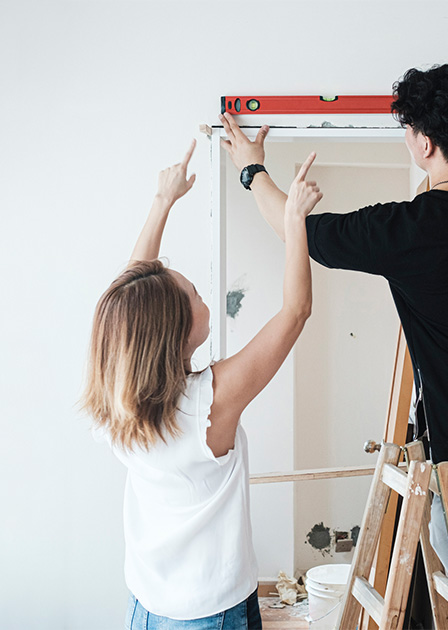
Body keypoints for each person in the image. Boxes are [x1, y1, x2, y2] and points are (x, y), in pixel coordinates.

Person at [220, 63, 448, 630]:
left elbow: (296, 230)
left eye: (410, 127)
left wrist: (250, 168)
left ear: (425, 143)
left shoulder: (409, 230)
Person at [82, 140, 323, 630]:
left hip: (149, 604)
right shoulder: (207, 405)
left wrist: (162, 201)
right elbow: (295, 313)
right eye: (191, 291)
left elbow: (129, 303)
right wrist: (294, 221)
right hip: (210, 614)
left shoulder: (117, 397)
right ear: (174, 331)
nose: (197, 290)